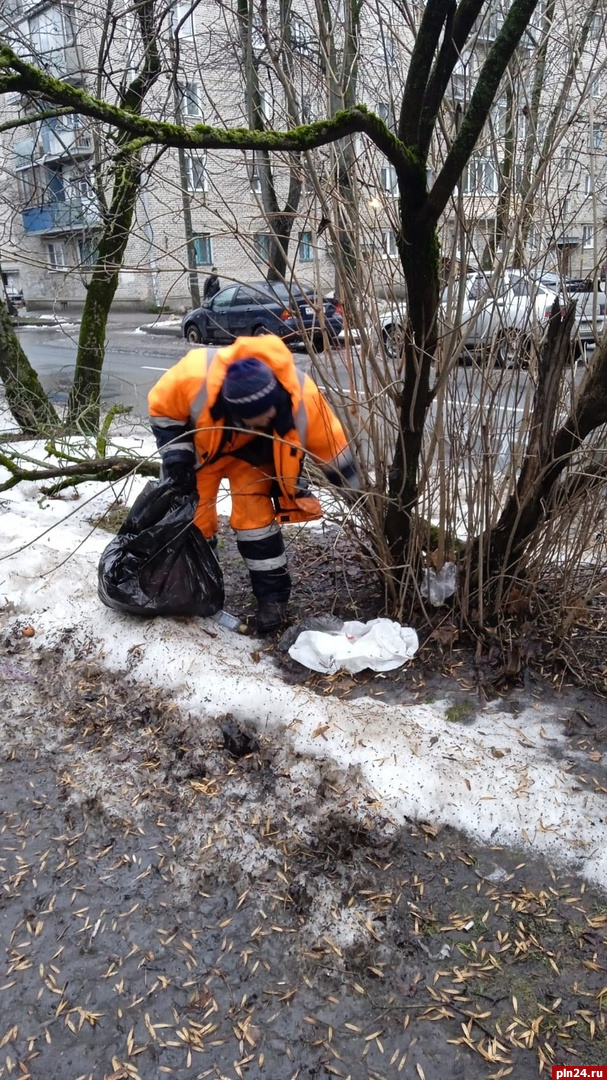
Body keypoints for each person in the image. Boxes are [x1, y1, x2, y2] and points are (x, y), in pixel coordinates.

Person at [148, 334, 360, 633]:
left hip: (253, 457)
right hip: (203, 452)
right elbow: (163, 412)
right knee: (192, 519)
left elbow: (333, 449)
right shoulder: (194, 376)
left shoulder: (302, 397)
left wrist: (360, 495)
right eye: (249, 420)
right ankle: (198, 593)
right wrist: (177, 460)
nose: (257, 424)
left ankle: (272, 600)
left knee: (255, 522)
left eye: (264, 418)